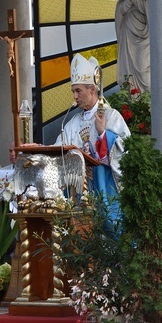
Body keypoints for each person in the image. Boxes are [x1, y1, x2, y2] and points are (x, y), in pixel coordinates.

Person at [55, 53, 130, 220]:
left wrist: (103, 134)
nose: (75, 96)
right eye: (73, 91)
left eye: (78, 91)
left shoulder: (111, 116)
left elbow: (125, 150)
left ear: (92, 89)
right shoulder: (72, 123)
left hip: (105, 190)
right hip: (79, 194)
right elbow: (59, 151)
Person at [115, 0, 150, 92]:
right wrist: (127, 3)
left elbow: (152, 7)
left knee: (144, 68)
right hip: (129, 33)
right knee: (129, 72)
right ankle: (135, 101)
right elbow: (120, 9)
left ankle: (149, 99)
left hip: (146, 35)